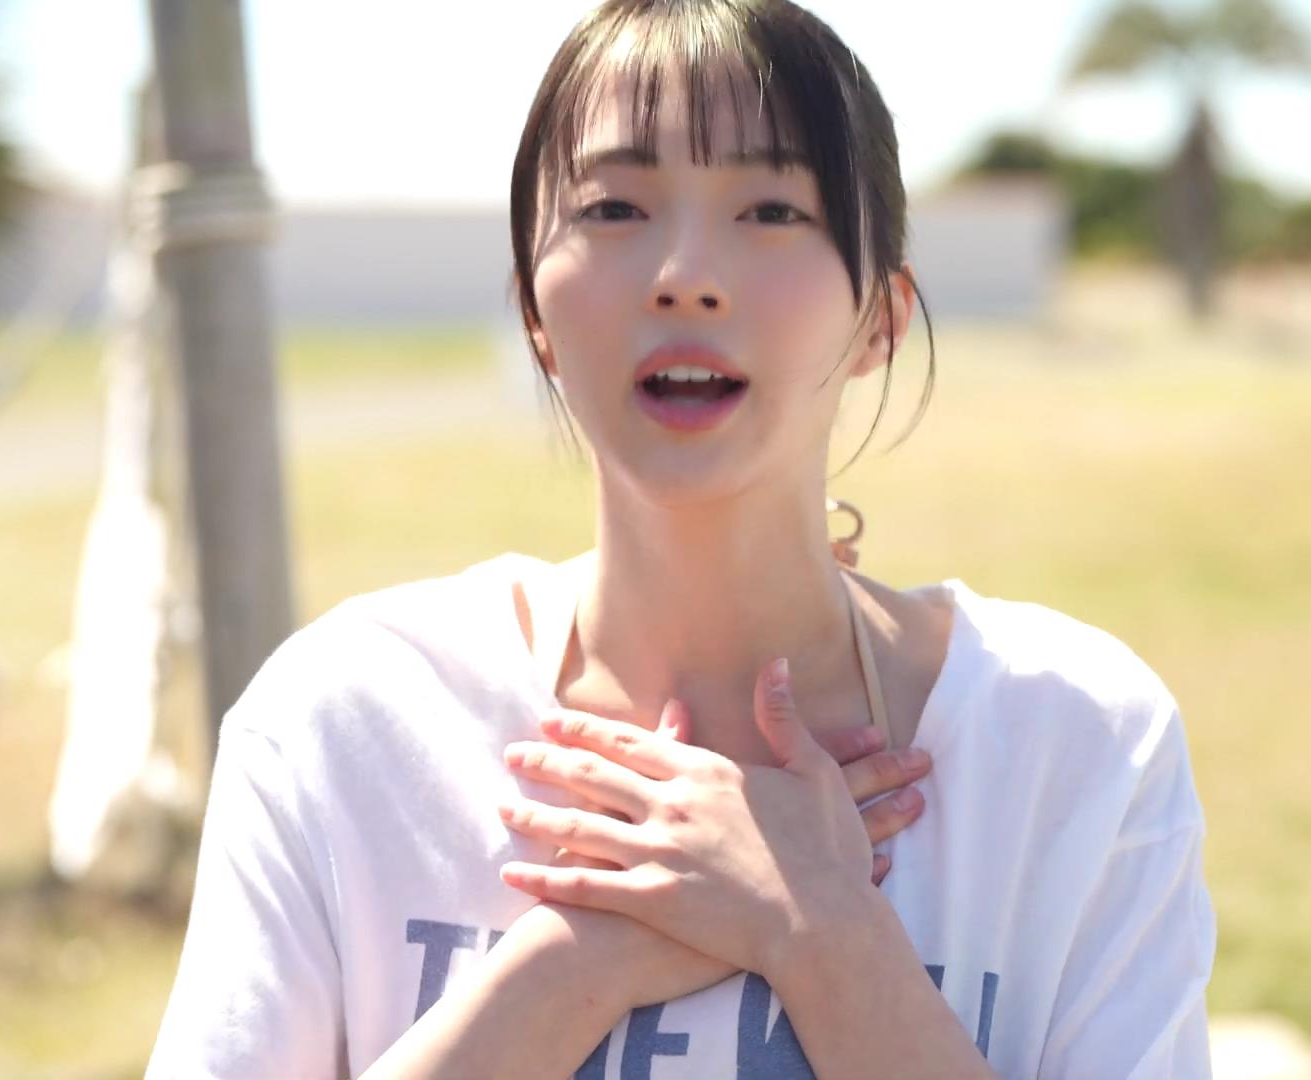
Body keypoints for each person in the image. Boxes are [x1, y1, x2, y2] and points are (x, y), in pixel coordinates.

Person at [146, 1, 1216, 1077]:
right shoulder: (346, 725)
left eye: (771, 209)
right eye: (614, 208)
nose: (685, 274)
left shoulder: (1074, 745)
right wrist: (574, 964)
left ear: (880, 320)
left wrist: (823, 932)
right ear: (533, 315)